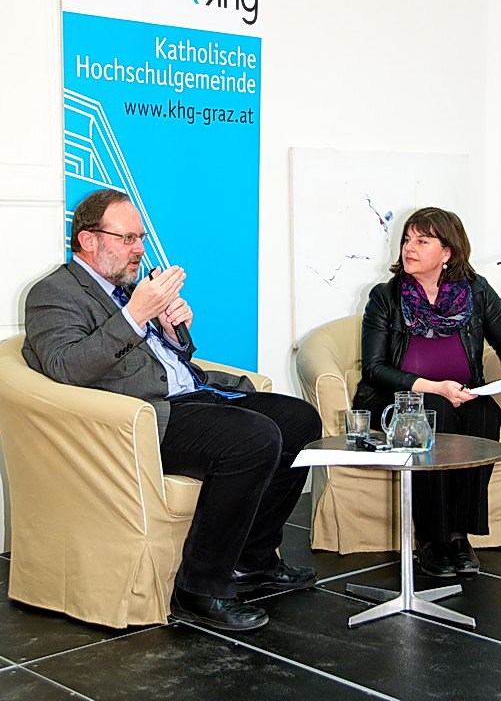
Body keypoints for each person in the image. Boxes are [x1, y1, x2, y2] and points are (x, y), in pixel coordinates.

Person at [23, 188, 321, 632]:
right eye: (127, 238)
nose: (139, 249)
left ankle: (252, 559)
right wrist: (133, 316)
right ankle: (200, 587)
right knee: (254, 437)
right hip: (142, 417)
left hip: (192, 395)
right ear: (88, 240)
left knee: (301, 421)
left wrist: (173, 331)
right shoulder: (54, 293)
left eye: (140, 238)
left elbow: (167, 359)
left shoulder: (128, 289)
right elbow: (66, 367)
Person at [353, 207, 501, 578]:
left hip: (462, 393)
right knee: (435, 412)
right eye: (407, 239)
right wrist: (435, 388)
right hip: (400, 398)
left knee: (484, 414)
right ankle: (432, 537)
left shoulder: (476, 291)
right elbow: (375, 369)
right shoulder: (385, 297)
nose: (409, 248)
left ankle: (458, 533)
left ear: (447, 252)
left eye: (422, 241)